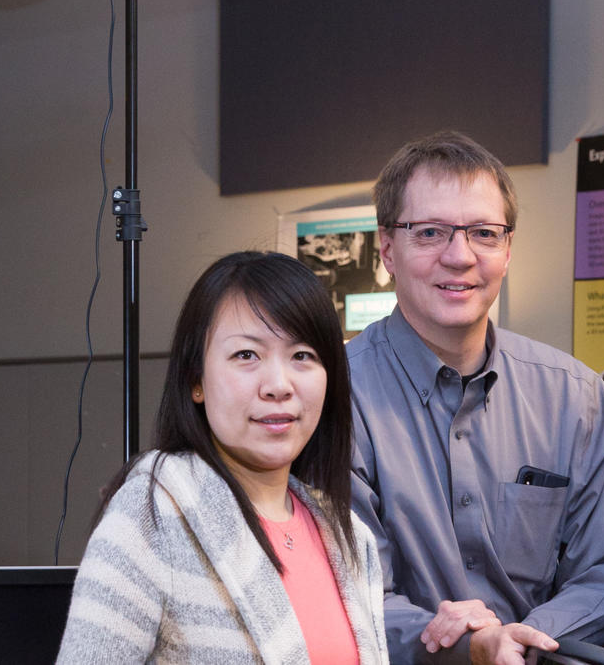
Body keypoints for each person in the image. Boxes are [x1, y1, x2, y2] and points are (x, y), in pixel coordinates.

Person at [347, 131, 604, 665]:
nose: (460, 257)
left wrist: (516, 642)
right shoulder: (332, 396)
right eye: (430, 232)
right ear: (387, 249)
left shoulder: (574, 396)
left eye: (484, 233)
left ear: (507, 251)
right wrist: (465, 646)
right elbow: (347, 592)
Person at [57, 251, 387, 664]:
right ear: (196, 379)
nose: (278, 385)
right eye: (246, 355)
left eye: (302, 355)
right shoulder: (153, 511)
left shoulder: (350, 537)